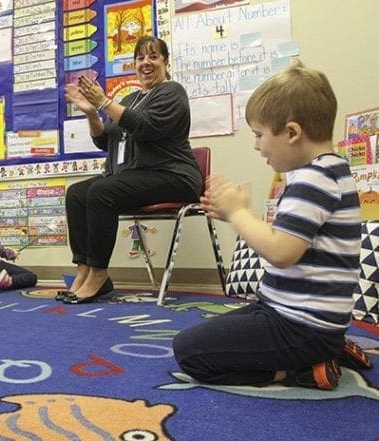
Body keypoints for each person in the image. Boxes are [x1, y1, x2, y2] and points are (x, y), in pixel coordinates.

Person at [173, 61, 372, 391]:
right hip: (292, 316)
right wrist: (236, 214)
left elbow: (281, 252)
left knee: (190, 352)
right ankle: (326, 348)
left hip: (301, 327)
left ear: (292, 132)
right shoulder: (331, 171)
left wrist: (239, 214)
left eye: (259, 135)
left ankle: (303, 370)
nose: (256, 145)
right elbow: (288, 240)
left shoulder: (313, 179)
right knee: (213, 333)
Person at [62, 36, 202, 304]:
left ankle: (99, 275)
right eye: (140, 58)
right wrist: (92, 114)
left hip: (175, 176)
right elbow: (107, 140)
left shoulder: (172, 91)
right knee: (77, 193)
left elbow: (145, 126)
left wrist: (104, 103)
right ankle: (84, 270)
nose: (145, 63)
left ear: (166, 62)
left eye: (153, 57)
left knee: (103, 191)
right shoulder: (131, 97)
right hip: (138, 175)